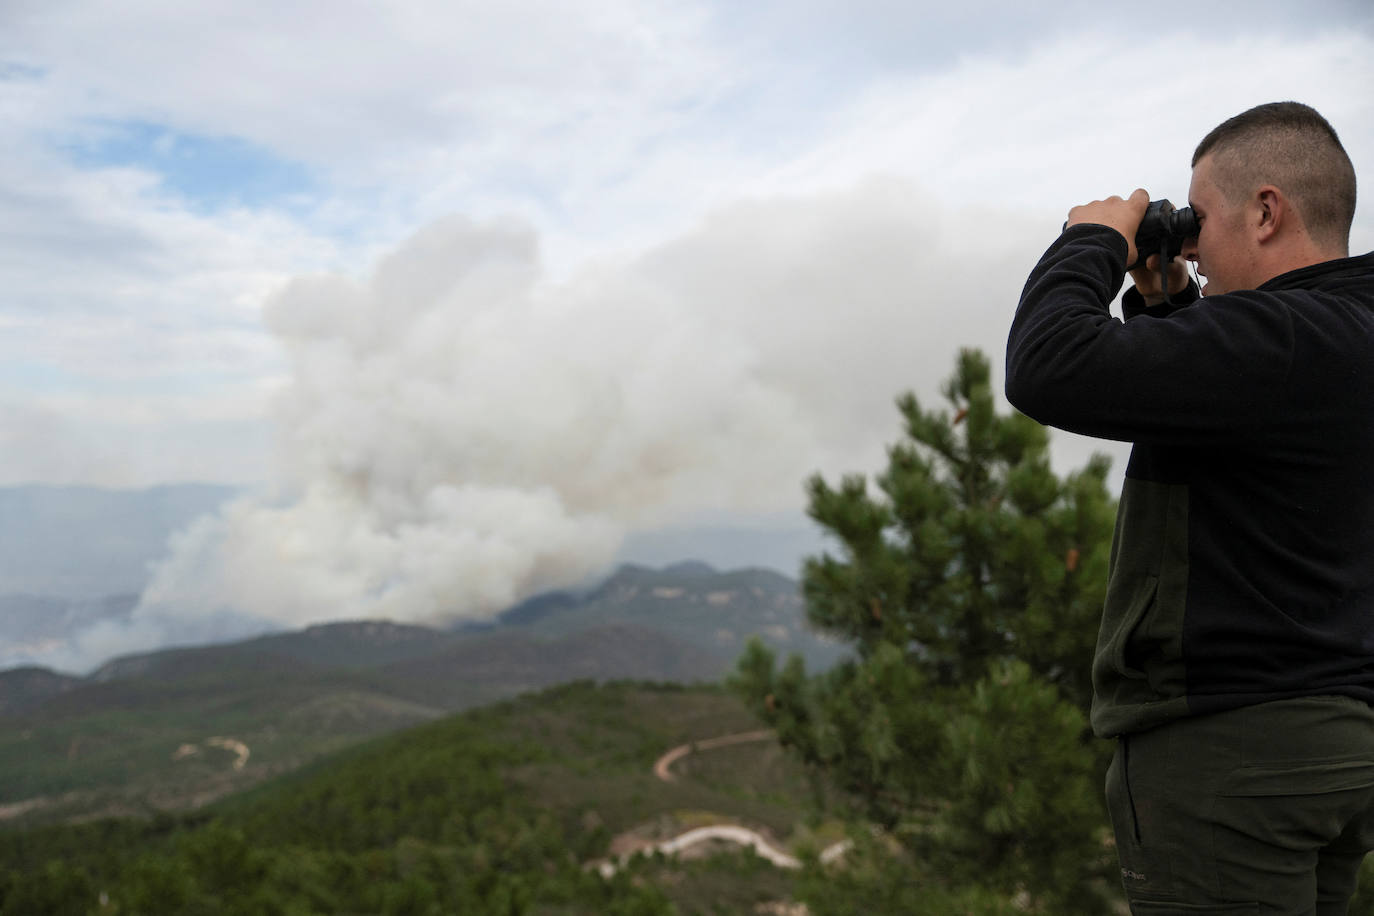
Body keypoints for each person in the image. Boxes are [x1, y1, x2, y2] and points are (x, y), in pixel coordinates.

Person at [1005, 101, 1374, 914]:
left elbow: (1047, 366)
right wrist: (1169, 310)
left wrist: (1091, 241)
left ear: (1267, 212)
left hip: (1234, 752)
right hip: (1339, 745)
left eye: (1198, 220)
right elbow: (1240, 430)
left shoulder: (1282, 337)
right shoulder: (1343, 333)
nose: (1192, 246)